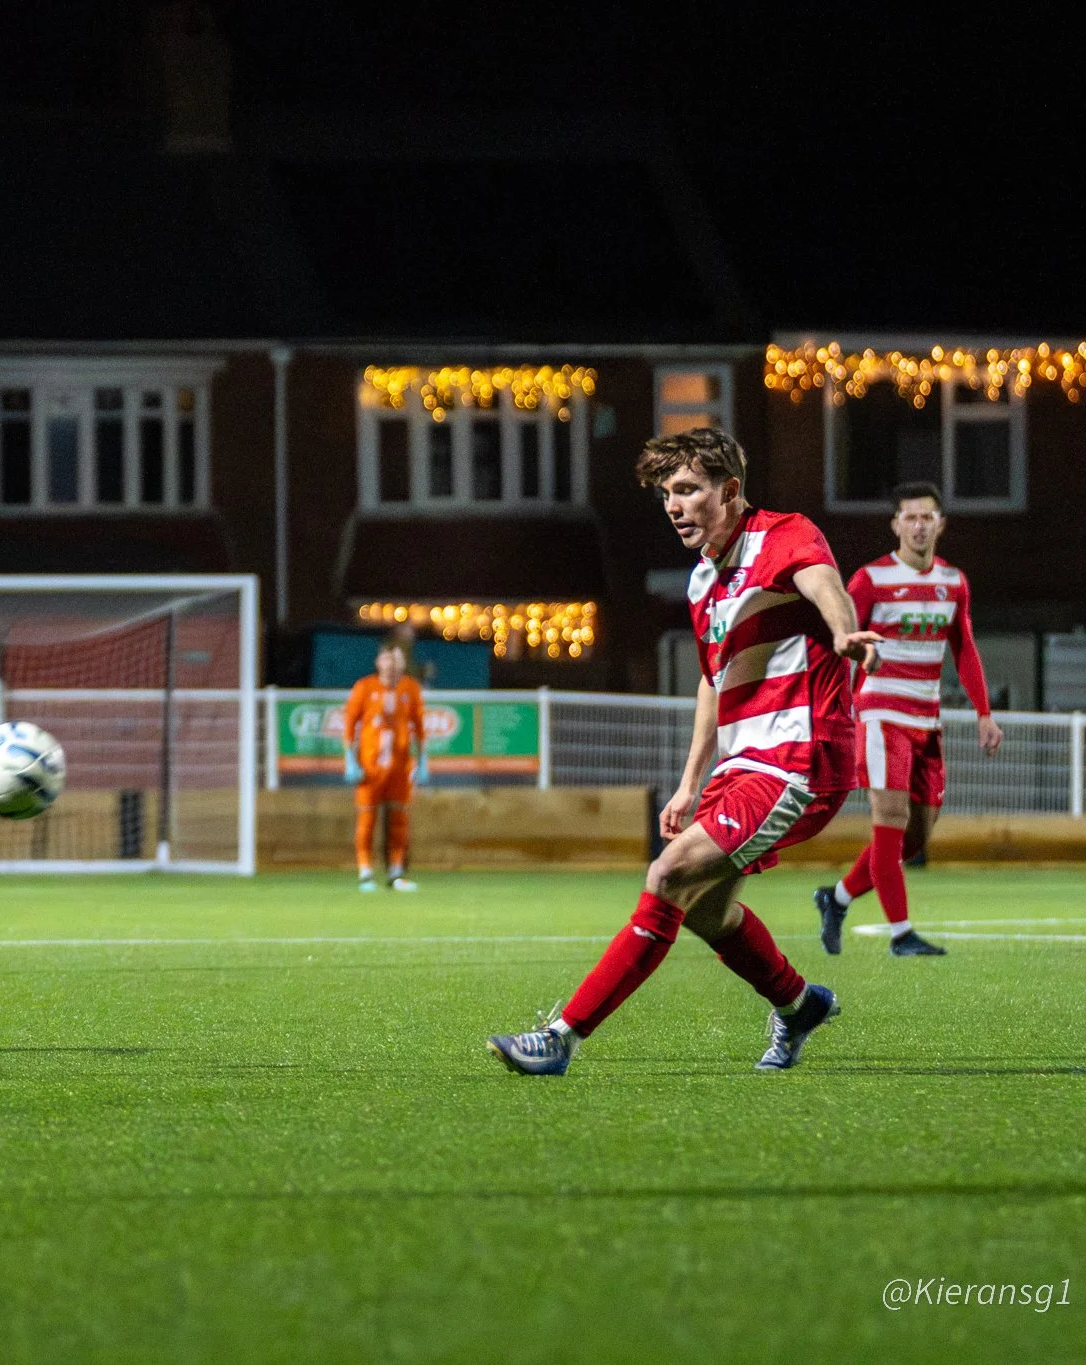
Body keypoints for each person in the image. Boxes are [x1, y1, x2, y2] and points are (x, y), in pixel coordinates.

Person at [488, 427, 877, 1075]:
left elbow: (824, 585)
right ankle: (799, 1003)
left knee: (667, 876)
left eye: (688, 489)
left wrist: (843, 633)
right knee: (704, 908)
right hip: (742, 765)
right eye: (667, 492)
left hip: (799, 758)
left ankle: (561, 1038)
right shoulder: (702, 582)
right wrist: (688, 781)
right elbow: (712, 680)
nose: (674, 505)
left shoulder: (785, 535)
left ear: (728, 491)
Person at [814, 482, 1002, 957]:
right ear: (895, 525)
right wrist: (855, 665)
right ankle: (902, 936)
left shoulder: (954, 582)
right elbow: (838, 640)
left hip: (928, 720)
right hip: (880, 714)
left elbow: (965, 647)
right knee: (890, 819)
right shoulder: (871, 579)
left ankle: (834, 899)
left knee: (915, 837)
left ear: (941, 523)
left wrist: (984, 713)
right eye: (909, 517)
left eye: (927, 517)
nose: (918, 525)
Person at [344, 640, 426, 891]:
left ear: (403, 664)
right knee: (367, 820)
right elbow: (349, 726)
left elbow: (420, 728)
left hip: (400, 769)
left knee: (399, 821)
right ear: (379, 662)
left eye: (397, 661)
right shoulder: (365, 687)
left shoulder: (410, 688)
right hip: (371, 768)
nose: (392, 666)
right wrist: (350, 760)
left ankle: (396, 873)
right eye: (388, 660)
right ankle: (365, 872)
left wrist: (422, 761)